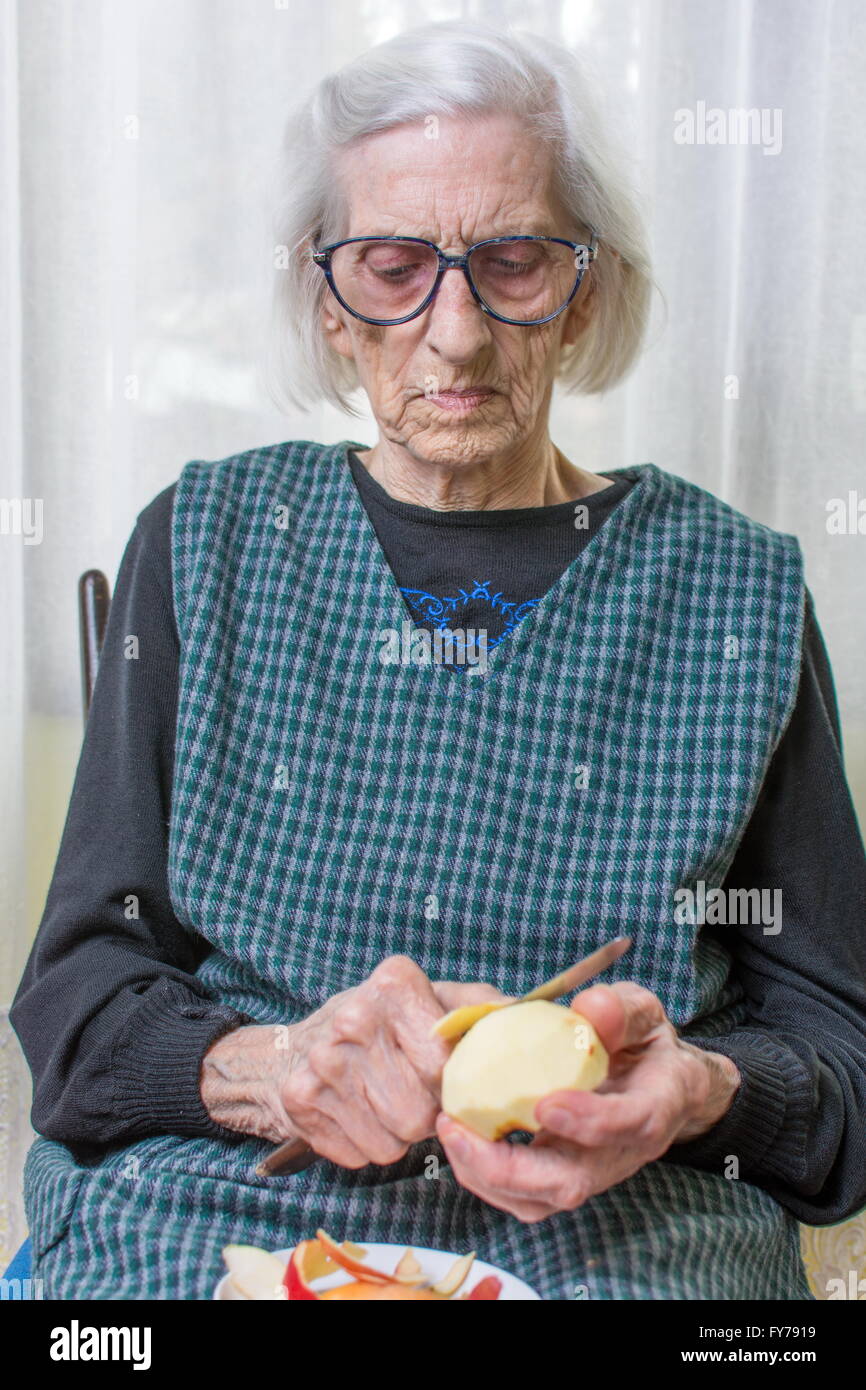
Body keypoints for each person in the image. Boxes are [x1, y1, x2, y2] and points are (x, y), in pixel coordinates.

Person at [12, 20, 866, 1300]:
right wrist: (265, 1064)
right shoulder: (206, 541)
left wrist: (699, 1093)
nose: (453, 335)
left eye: (510, 261)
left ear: (583, 290)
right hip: (223, 1205)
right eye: (392, 266)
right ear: (326, 301)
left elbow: (840, 1056)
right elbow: (75, 1010)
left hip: (625, 1234)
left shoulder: (731, 586)